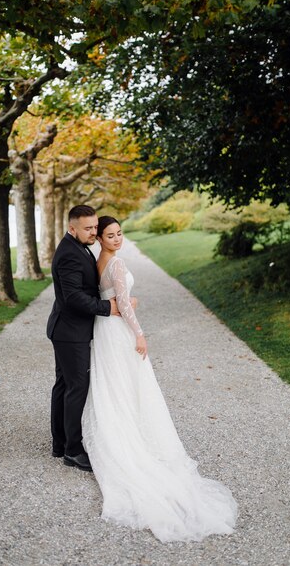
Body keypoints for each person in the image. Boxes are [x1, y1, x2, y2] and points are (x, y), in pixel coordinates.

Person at [81, 216, 238, 543]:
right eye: (110, 235)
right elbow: (123, 303)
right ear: (101, 238)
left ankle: (119, 430)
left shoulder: (98, 263)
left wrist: (126, 305)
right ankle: (136, 437)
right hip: (119, 331)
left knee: (114, 386)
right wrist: (139, 333)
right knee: (131, 385)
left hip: (103, 330)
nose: (117, 239)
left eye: (120, 233)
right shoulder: (118, 264)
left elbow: (110, 298)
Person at [47, 205, 119, 472]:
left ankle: (60, 443)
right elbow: (73, 297)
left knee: (65, 386)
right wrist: (108, 308)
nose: (94, 232)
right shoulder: (69, 255)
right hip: (70, 332)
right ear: (72, 228)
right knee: (76, 387)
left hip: (67, 330)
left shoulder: (78, 247)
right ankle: (73, 451)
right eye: (88, 228)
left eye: (95, 226)